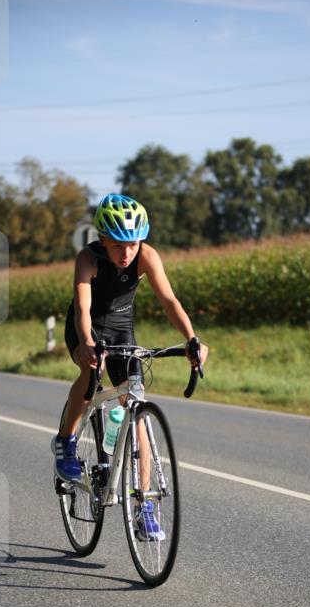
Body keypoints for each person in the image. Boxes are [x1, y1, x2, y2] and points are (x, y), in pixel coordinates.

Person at [53, 193, 208, 540]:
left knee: (135, 405)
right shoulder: (88, 258)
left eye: (133, 244)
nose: (126, 253)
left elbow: (169, 300)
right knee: (90, 374)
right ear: (104, 239)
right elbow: (82, 307)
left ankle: (144, 508)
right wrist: (88, 344)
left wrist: (192, 339)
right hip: (87, 326)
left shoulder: (146, 256)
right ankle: (65, 442)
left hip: (122, 329)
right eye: (119, 245)